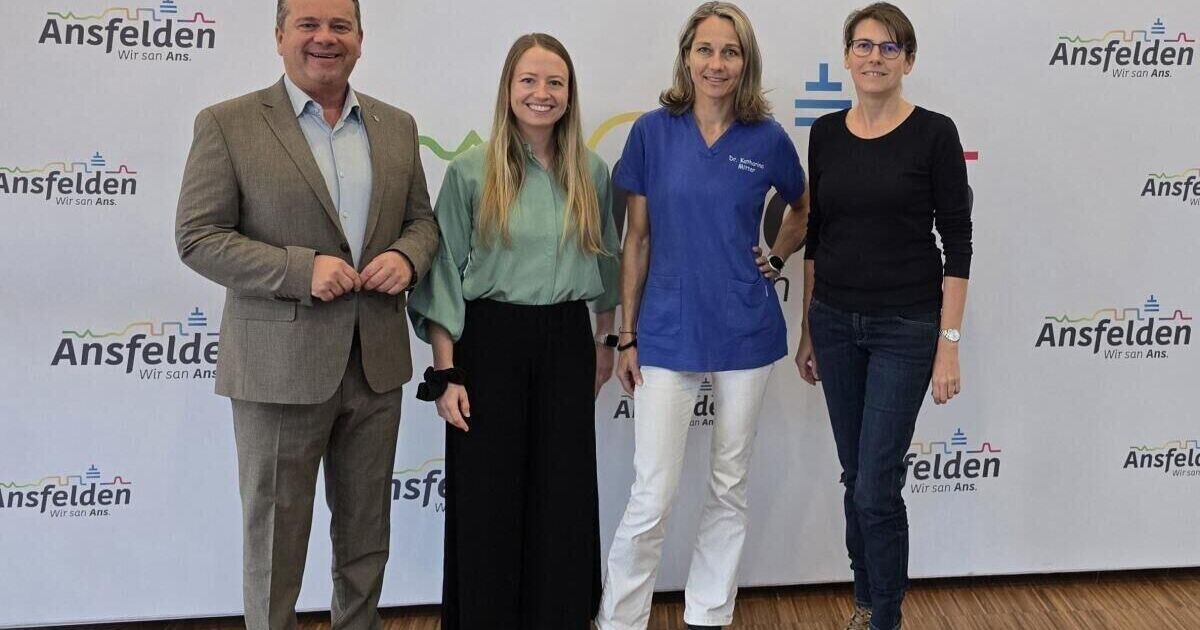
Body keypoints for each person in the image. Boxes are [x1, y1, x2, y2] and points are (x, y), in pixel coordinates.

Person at [173, 1, 439, 628]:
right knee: (275, 540)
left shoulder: (396, 126)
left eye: (339, 26)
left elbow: (421, 221)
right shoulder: (228, 123)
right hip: (277, 373)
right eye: (309, 25)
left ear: (360, 39)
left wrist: (407, 255)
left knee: (367, 535)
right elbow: (198, 236)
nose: (325, 38)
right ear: (279, 38)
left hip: (374, 366)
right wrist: (301, 271)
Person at [597, 3, 810, 629]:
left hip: (745, 329)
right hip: (664, 330)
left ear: (746, 62)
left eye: (731, 51)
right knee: (652, 493)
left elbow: (801, 208)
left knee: (728, 484)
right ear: (686, 55)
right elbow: (636, 240)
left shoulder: (767, 138)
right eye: (706, 49)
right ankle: (621, 619)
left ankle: (709, 615)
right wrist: (627, 334)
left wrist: (774, 259)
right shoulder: (652, 132)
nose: (717, 63)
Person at [407, 33, 620, 630]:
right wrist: (447, 372)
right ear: (507, 89)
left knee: (564, 495)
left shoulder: (590, 172)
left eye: (555, 82)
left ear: (570, 94)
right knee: (488, 497)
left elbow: (606, 265)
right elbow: (443, 272)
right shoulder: (471, 173)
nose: (541, 93)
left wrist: (606, 342)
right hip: (489, 343)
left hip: (565, 341)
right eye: (529, 80)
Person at [793, 4, 973, 629]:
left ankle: (886, 620)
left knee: (875, 486)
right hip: (836, 323)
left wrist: (948, 343)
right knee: (855, 477)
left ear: (908, 61)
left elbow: (958, 241)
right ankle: (866, 604)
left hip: (907, 328)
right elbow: (817, 234)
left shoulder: (935, 133)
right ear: (846, 56)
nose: (874, 57)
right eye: (864, 45)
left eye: (889, 47)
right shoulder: (824, 134)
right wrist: (809, 326)